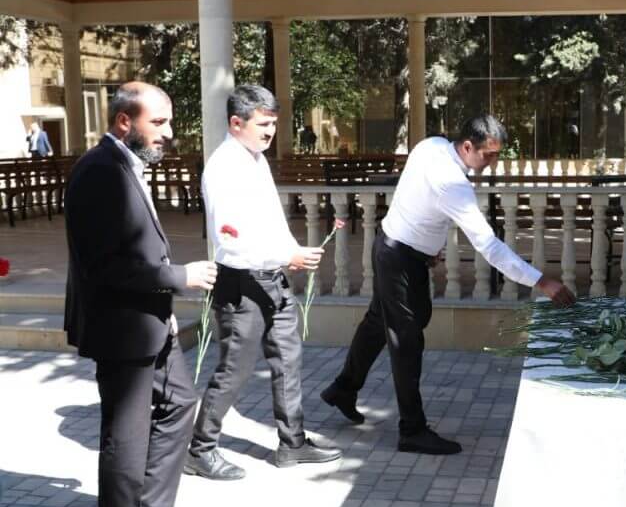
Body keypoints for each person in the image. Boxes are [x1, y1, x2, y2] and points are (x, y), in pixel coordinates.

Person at [321, 115, 576, 453]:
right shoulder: (454, 183)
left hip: (394, 246)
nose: (492, 162)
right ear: (467, 146)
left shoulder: (432, 145)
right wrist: (542, 281)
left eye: (497, 155)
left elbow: (418, 196)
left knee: (380, 321)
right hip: (398, 258)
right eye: (488, 155)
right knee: (406, 340)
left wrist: (428, 244)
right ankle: (411, 430)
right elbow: (489, 246)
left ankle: (343, 388)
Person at [63, 82, 217, 507]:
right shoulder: (99, 172)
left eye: (169, 122)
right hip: (120, 327)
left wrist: (164, 298)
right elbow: (106, 267)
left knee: (181, 402)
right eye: (159, 122)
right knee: (125, 436)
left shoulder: (125, 164)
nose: (168, 132)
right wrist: (179, 278)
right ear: (124, 121)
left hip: (148, 319)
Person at [186, 85, 341, 480]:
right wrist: (286, 257)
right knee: (234, 371)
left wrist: (292, 251)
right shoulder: (223, 167)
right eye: (263, 124)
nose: (271, 131)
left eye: (273, 123)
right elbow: (232, 242)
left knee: (288, 359)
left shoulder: (256, 159)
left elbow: (271, 221)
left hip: (273, 280)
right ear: (236, 123)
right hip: (240, 285)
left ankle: (292, 443)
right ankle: (200, 450)